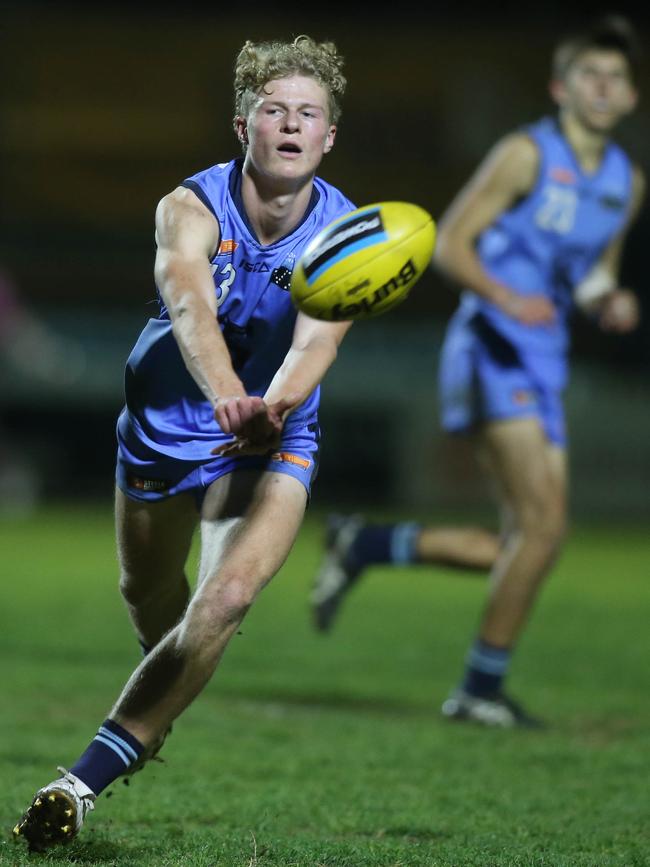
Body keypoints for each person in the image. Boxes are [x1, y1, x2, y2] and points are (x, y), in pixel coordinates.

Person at [14, 34, 357, 852]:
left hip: (275, 430)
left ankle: (77, 783)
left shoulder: (350, 231)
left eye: (308, 113)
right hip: (168, 429)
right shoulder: (188, 207)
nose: (290, 124)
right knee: (151, 597)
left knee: (229, 597)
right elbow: (189, 309)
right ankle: (161, 688)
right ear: (243, 125)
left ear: (329, 136)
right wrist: (227, 396)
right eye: (273, 109)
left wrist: (271, 404)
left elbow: (318, 342)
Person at [311, 15, 644, 728]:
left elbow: (591, 274)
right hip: (493, 343)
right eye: (590, 74)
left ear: (631, 98)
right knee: (545, 530)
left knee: (524, 541)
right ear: (561, 86)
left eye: (616, 78)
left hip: (544, 355)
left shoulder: (626, 182)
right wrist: (504, 295)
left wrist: (608, 299)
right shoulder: (525, 154)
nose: (603, 87)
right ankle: (479, 690)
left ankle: (365, 543)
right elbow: (448, 242)